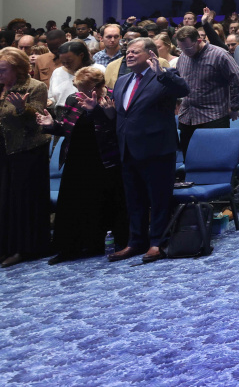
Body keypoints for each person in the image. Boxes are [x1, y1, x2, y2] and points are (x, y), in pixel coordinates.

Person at [102, 37, 191, 264]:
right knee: (134, 200)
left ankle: (157, 243)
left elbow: (183, 89)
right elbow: (122, 115)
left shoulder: (162, 76)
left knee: (159, 199)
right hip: (128, 149)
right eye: (127, 52)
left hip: (156, 148)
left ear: (151, 54)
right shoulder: (122, 81)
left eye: (135, 52)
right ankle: (136, 242)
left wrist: (162, 73)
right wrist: (99, 111)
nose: (129, 55)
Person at [35, 66, 127, 263]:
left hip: (104, 159)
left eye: (84, 88)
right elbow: (66, 128)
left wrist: (100, 112)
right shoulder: (73, 99)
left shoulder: (112, 97)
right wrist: (51, 125)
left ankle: (101, 243)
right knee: (73, 203)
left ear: (97, 86)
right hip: (77, 158)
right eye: (78, 88)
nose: (79, 93)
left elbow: (118, 129)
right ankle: (70, 247)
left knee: (102, 202)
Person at [0, 47, 51, 267]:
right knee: (4, 201)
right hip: (4, 150)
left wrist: (23, 109)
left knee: (22, 202)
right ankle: (5, 246)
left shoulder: (35, 87)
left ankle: (23, 248)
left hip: (27, 151)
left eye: (3, 70)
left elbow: (38, 120)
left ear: (18, 69)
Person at [175, 25, 239, 156]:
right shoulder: (183, 57)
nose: (184, 52)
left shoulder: (219, 54)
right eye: (181, 48)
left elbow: (238, 81)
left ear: (199, 40)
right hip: (187, 117)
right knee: (189, 160)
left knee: (215, 159)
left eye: (188, 48)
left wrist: (234, 106)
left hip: (213, 116)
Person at [49, 40, 92, 107]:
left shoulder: (96, 70)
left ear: (81, 55)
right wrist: (51, 101)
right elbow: (53, 96)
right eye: (63, 62)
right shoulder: (57, 72)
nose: (66, 65)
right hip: (61, 111)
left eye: (69, 62)